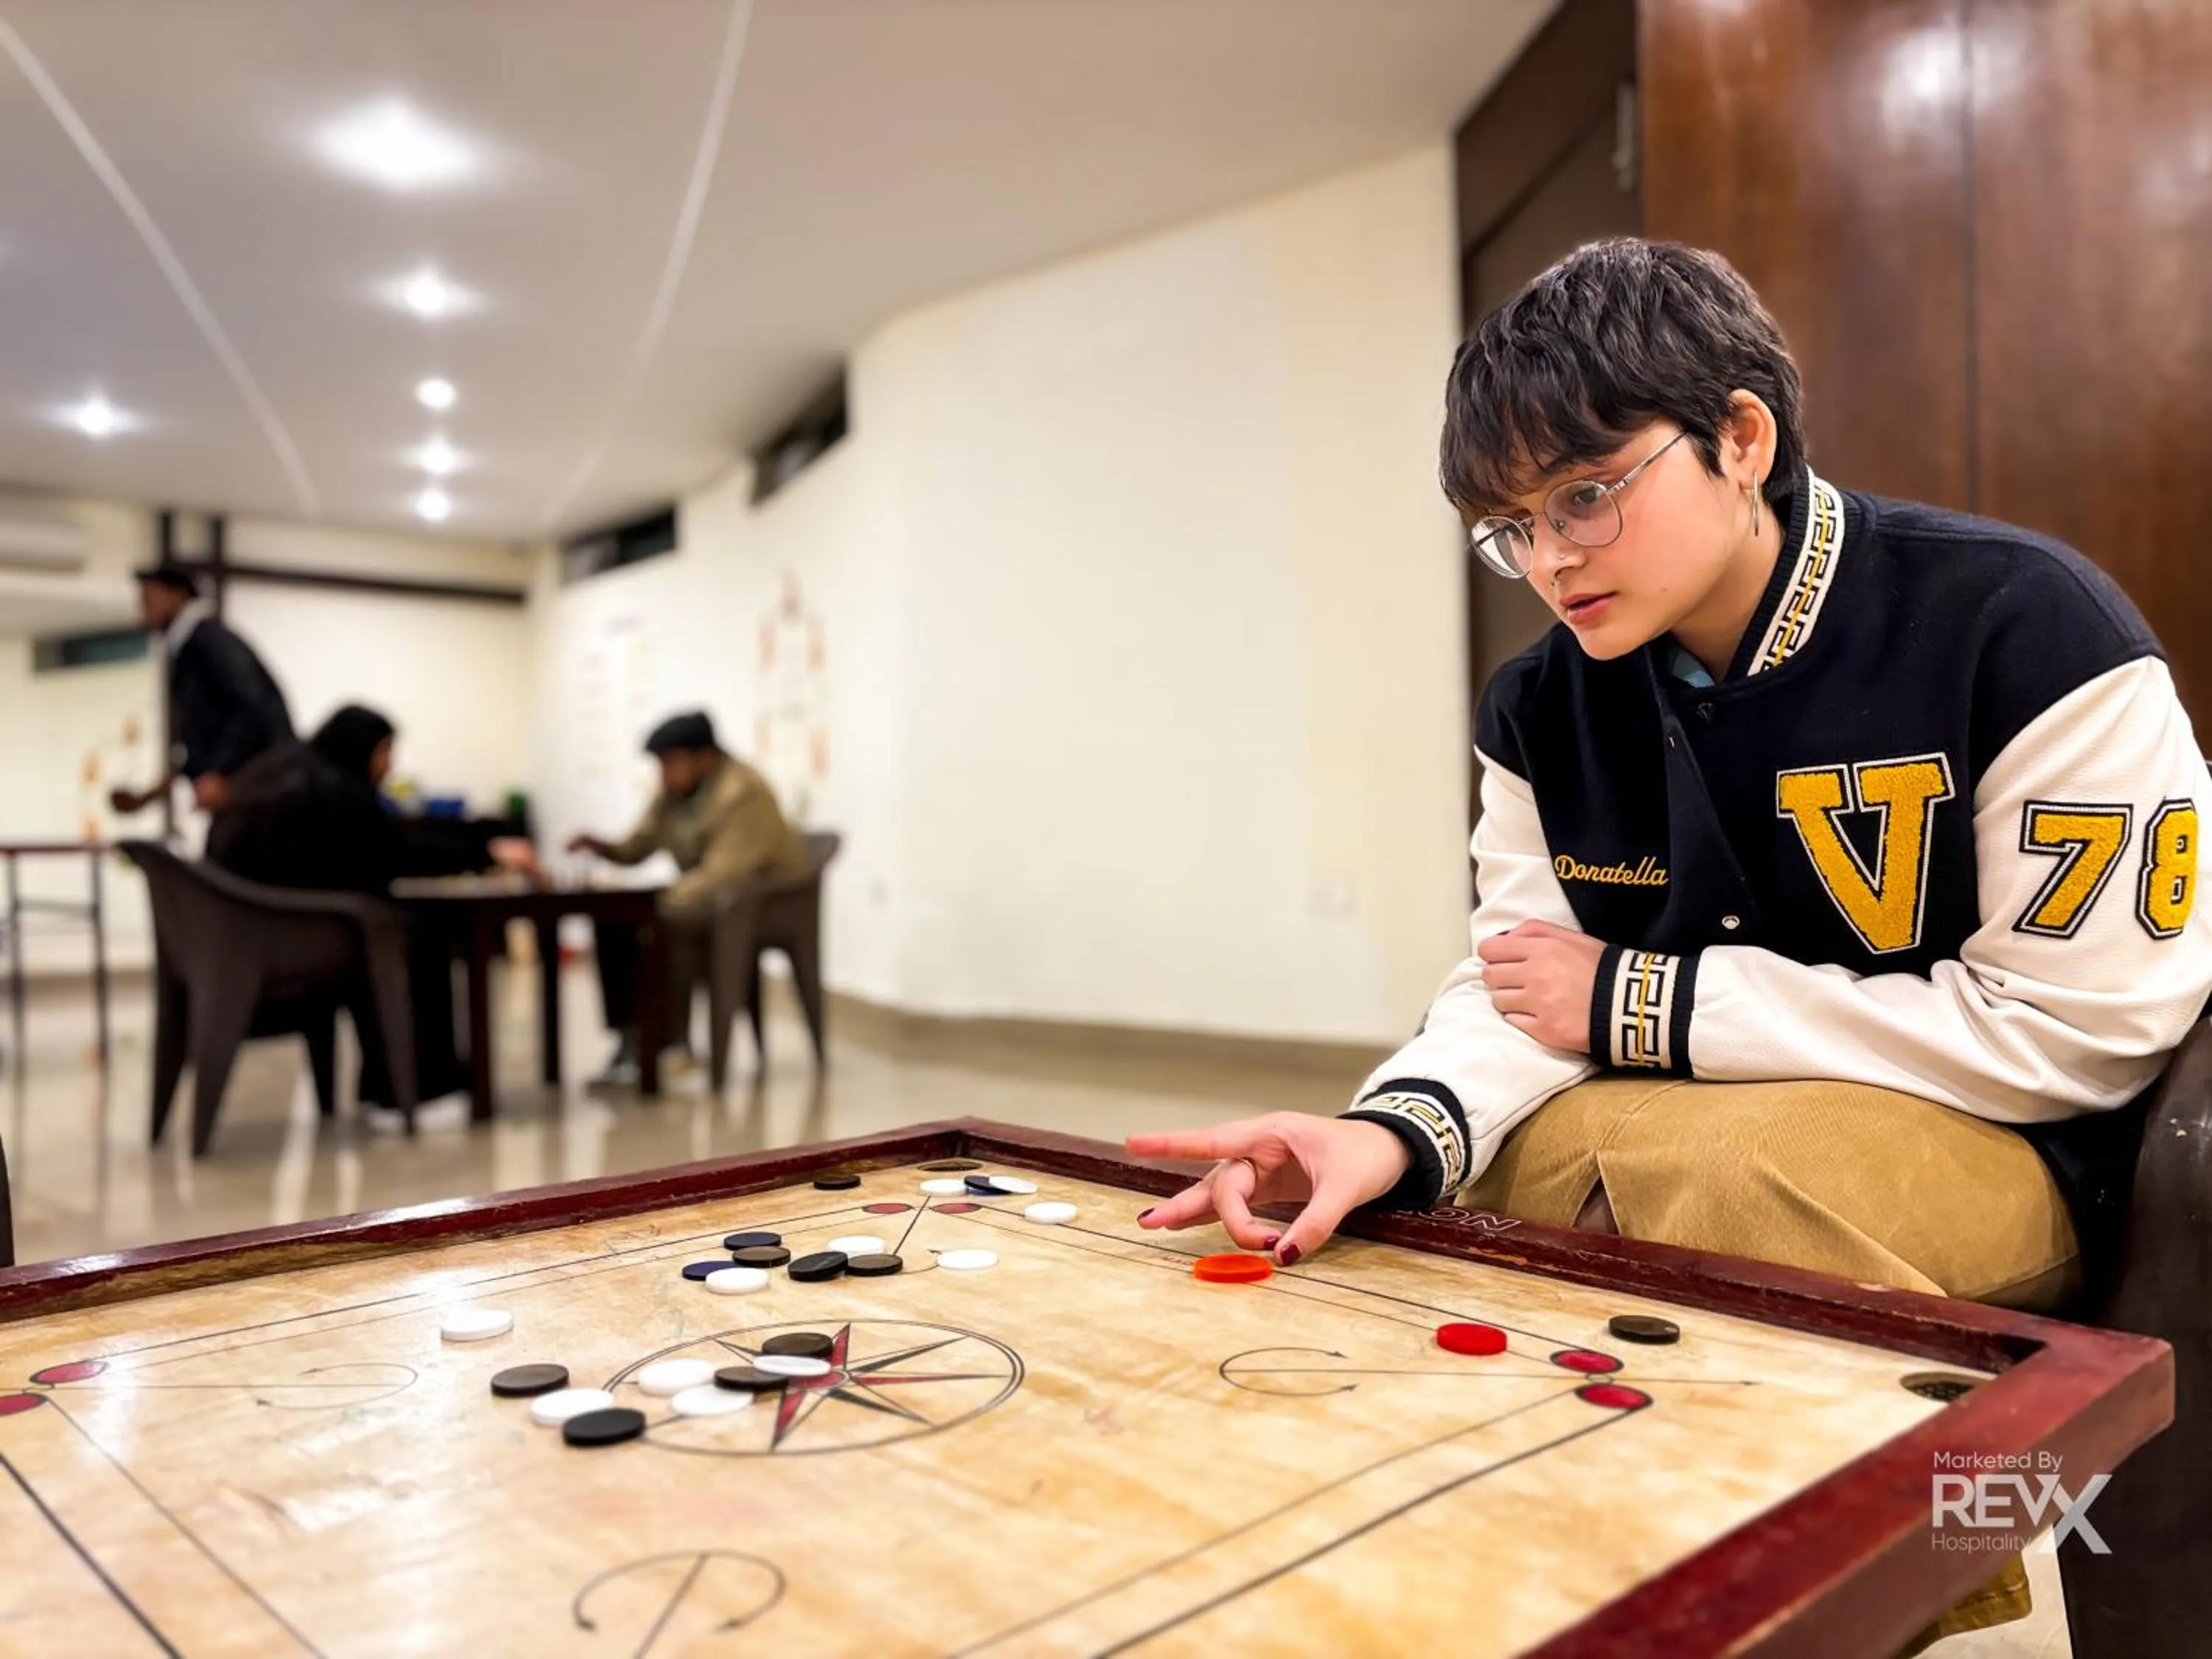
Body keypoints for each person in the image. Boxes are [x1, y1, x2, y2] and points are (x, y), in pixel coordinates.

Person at [1131, 240, 2212, 1643]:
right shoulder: (1539, 704)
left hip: (2015, 1142)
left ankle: (1884, 1588)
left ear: (1741, 437)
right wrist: (1387, 1132)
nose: (1549, 560)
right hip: (1689, 1115)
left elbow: (2087, 1029)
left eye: (1587, 495)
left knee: (1732, 1184)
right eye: (1510, 526)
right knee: (1454, 1197)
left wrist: (1650, 1007)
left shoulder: (2024, 623)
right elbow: (1522, 990)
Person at [208, 705, 538, 1119]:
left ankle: (382, 1083)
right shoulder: (330, 787)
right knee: (420, 933)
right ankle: (421, 1088)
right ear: (361, 747)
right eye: (384, 752)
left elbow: (389, 837)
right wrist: (488, 851)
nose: (388, 765)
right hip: (293, 944)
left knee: (395, 923)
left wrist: (484, 842)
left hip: (245, 942)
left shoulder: (281, 771)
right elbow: (397, 850)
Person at [567, 711, 807, 1085]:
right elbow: (636, 846)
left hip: (759, 906)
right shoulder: (675, 793)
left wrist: (653, 902)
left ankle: (674, 1046)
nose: (664, 773)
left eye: (671, 762)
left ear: (706, 758)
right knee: (613, 916)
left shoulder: (742, 792)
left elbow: (723, 873)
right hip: (709, 899)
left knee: (661, 922)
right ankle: (633, 1040)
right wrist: (600, 847)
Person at [109, 563, 293, 818]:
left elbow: (251, 704)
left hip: (260, 792)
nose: (142, 611)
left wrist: (221, 771)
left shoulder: (208, 641)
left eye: (148, 600)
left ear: (177, 596)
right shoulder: (190, 647)